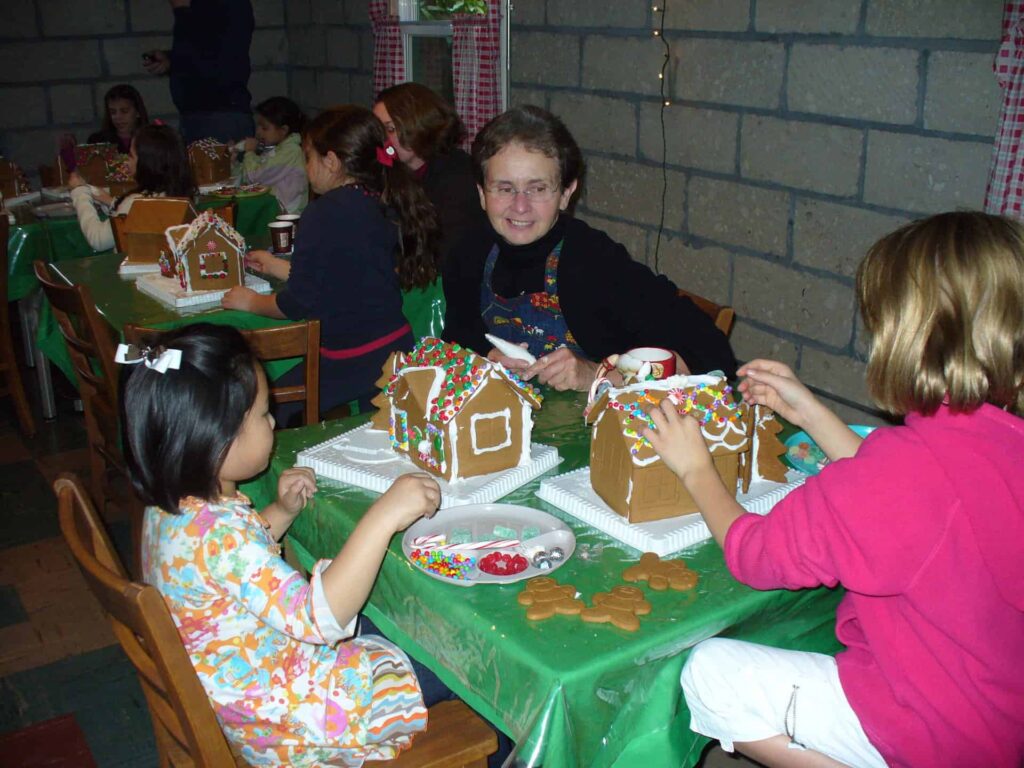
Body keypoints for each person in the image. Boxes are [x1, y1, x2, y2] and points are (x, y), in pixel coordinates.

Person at [644, 212, 1024, 767]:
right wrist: (813, 414)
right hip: (997, 725)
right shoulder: (994, 444)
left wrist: (697, 469)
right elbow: (916, 495)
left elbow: (754, 554)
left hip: (926, 731)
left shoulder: (903, 471)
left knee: (708, 672)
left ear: (907, 336)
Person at [122, 323, 441, 766]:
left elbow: (233, 571)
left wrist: (281, 512)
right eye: (262, 414)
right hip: (289, 722)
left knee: (401, 626)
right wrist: (384, 515)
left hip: (246, 691)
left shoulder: (175, 510)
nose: (273, 422)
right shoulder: (221, 534)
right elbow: (321, 616)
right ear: (216, 436)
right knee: (459, 670)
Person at [442, 105, 737, 392]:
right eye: (505, 188)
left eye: (538, 188)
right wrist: (488, 356)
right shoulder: (469, 251)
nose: (520, 206)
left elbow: (712, 355)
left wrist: (598, 374)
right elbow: (457, 335)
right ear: (482, 193)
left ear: (566, 193)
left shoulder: (595, 262)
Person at [222, 105, 440, 418]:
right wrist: (276, 266)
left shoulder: (321, 214)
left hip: (349, 358)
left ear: (331, 161)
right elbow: (348, 276)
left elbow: (297, 303)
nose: (305, 166)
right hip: (395, 349)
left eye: (308, 156)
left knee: (264, 410)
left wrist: (252, 302)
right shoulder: (381, 200)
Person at [373, 82, 487, 266]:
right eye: (379, 130)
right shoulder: (392, 171)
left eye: (391, 129)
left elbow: (445, 254)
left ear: (419, 126)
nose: (383, 140)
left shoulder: (457, 177)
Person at [68, 123, 194, 252]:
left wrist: (80, 193)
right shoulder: (181, 196)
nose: (127, 162)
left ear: (147, 164)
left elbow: (98, 239)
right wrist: (112, 202)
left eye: (131, 156)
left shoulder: (137, 203)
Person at [143, 0, 254, 144]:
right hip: (202, 115)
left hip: (219, 116)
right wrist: (170, 61)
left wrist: (182, 12)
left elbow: (221, 62)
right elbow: (203, 52)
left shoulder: (228, 5)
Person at [238, 96, 309, 213]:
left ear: (283, 130)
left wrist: (249, 152)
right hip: (274, 210)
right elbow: (248, 177)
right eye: (258, 126)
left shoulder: (291, 151)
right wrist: (235, 162)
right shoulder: (277, 149)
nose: (258, 132)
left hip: (287, 216)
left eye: (264, 128)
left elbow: (256, 177)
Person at [87, 84, 149, 153]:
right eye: (113, 112)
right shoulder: (98, 141)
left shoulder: (150, 141)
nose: (118, 117)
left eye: (124, 111)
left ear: (138, 112)